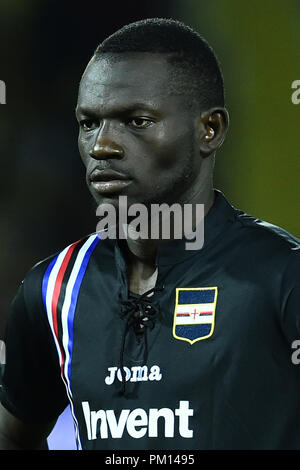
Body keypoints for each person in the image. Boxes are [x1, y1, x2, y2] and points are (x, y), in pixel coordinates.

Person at [0, 17, 300, 451]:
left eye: (136, 121)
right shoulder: (53, 289)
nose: (102, 145)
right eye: (89, 123)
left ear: (209, 129)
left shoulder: (280, 275)